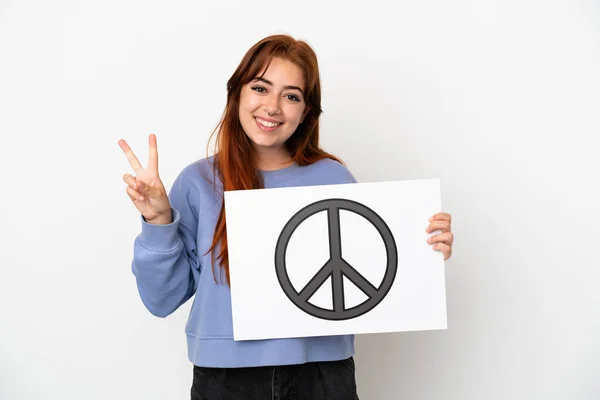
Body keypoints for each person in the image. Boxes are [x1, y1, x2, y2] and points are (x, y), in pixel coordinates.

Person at [118, 34, 454, 400]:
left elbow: (372, 264)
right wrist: (158, 221)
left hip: (322, 375)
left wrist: (423, 246)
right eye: (261, 88)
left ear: (306, 111)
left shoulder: (332, 178)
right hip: (225, 380)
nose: (273, 106)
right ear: (237, 94)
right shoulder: (198, 182)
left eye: (291, 96)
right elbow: (161, 299)